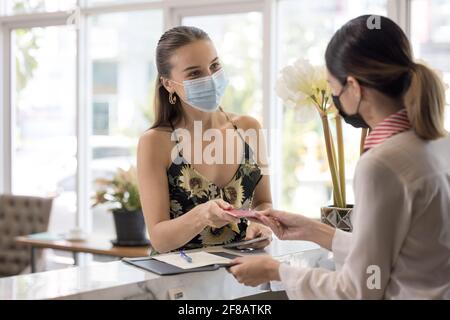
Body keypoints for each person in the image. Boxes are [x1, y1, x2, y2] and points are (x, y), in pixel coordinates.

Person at [228, 15, 450, 299]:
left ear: (355, 88)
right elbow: (396, 256)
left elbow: (358, 290)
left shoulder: (381, 164)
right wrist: (313, 230)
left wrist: (277, 271)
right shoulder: (439, 144)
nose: (335, 100)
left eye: (334, 90)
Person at [137, 26, 272, 254]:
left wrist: (260, 224)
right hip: (177, 282)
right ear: (168, 83)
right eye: (194, 73)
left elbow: (263, 203)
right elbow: (159, 239)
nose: (210, 78)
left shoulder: (249, 128)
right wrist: (201, 216)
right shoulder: (156, 143)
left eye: (215, 66)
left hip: (243, 275)